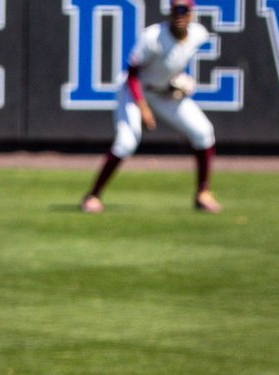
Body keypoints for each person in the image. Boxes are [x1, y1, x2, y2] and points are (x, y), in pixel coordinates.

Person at [80, 0, 221, 214]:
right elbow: (133, 75)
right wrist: (143, 108)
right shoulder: (153, 37)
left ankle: (203, 193)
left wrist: (179, 81)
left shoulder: (198, 34)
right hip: (133, 91)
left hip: (163, 92)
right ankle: (93, 195)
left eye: (185, 10)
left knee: (203, 132)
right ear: (170, 12)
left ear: (192, 13)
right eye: (176, 10)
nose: (180, 14)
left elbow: (172, 63)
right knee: (127, 142)